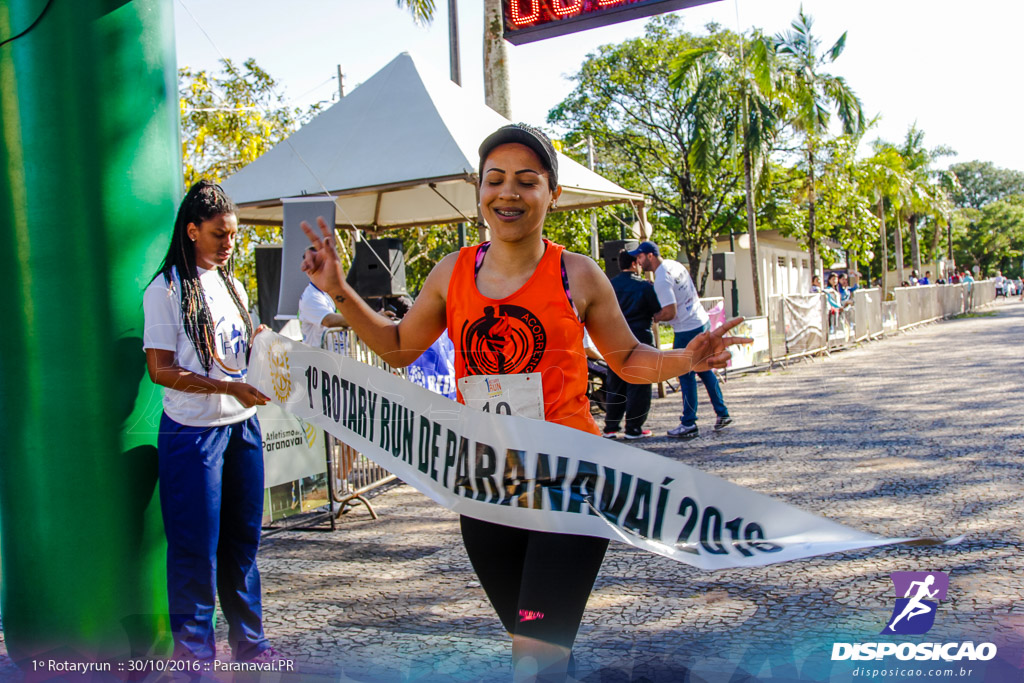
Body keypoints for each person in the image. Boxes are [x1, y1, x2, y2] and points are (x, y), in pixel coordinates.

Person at [298, 123, 749, 681]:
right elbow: (396, 348)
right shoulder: (451, 272)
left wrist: (689, 359)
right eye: (495, 180)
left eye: (527, 181)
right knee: (533, 641)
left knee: (536, 651)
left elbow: (628, 358)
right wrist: (340, 289)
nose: (508, 193)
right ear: (479, 191)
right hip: (486, 487)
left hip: (569, 487)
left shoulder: (576, 273)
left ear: (551, 193)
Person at [143, 180, 276, 662]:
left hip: (243, 427)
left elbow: (232, 354)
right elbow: (160, 369)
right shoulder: (166, 289)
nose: (228, 244)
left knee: (243, 545)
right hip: (193, 436)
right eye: (220, 234)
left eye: (234, 235)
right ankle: (194, 659)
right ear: (192, 230)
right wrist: (225, 388)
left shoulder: (233, 284)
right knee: (194, 552)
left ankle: (251, 647)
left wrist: (259, 345)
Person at [630, 241, 731, 440]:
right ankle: (722, 413)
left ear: (650, 256)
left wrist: (654, 317)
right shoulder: (674, 265)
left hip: (686, 329)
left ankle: (689, 422)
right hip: (700, 321)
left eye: (640, 257)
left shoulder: (661, 280)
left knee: (685, 375)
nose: (638, 261)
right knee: (704, 370)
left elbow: (670, 311)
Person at [602, 250, 661, 440]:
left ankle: (611, 427)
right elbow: (657, 313)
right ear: (635, 264)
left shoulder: (609, 285)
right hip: (640, 338)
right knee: (639, 384)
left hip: (615, 338)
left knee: (615, 383)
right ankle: (633, 427)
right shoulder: (644, 286)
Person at [299, 245, 348, 347]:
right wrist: (363, 322)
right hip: (321, 361)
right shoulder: (311, 296)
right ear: (308, 270)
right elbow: (329, 320)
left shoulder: (326, 293)